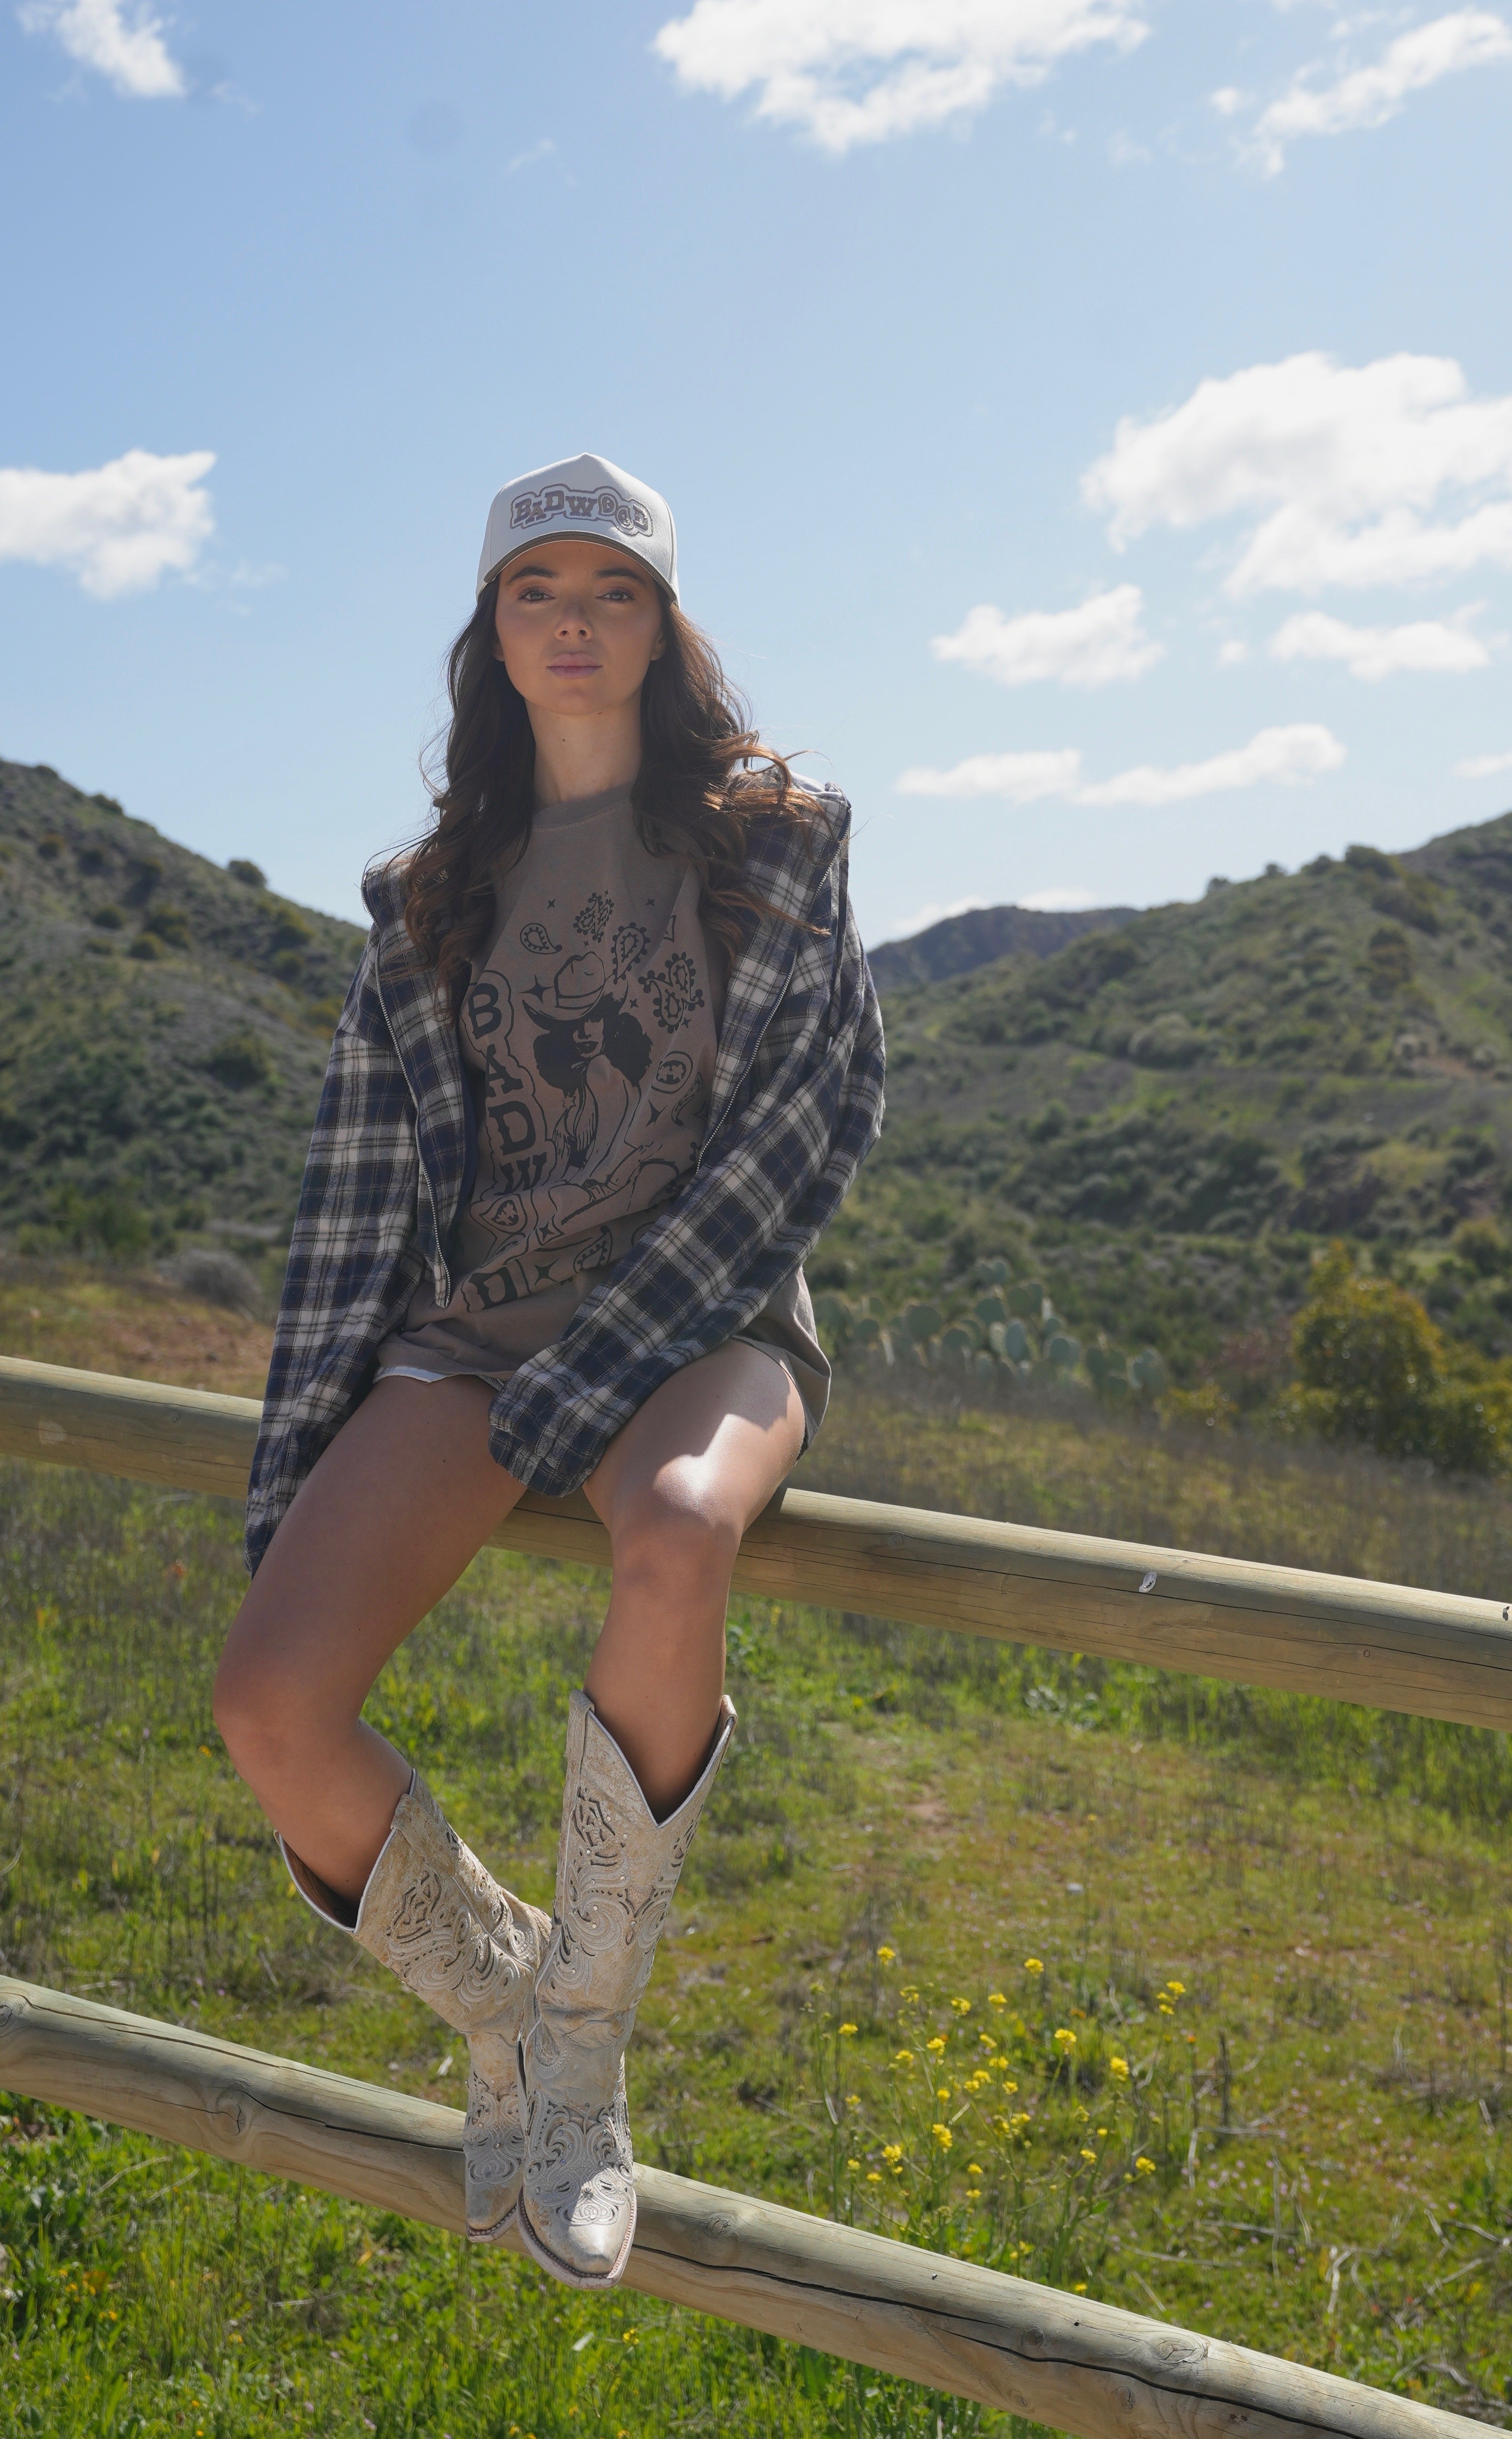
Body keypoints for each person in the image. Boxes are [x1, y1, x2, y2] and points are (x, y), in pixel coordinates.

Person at [212, 451, 885, 2289]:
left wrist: (599, 1372)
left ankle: (582, 2057)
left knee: (676, 1529)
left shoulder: (774, 841)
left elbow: (809, 1130)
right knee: (270, 1701)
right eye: (537, 590)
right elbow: (356, 1192)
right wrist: (302, 1468)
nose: (573, 621)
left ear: (663, 629)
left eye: (612, 590)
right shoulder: (429, 894)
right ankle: (511, 1997)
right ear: (491, 636)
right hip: (481, 1328)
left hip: (709, 1311)